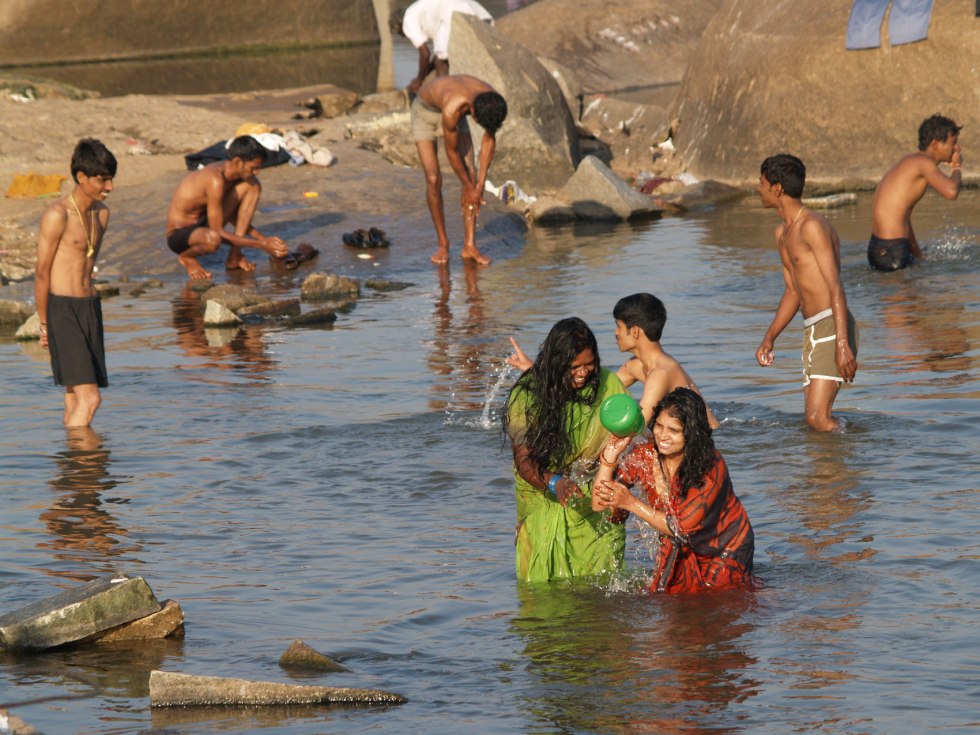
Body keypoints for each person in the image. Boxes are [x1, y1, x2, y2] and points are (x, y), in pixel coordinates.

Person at [502, 317, 629, 584]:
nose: (583, 372)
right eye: (574, 367)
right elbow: (523, 460)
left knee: (603, 590)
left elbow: (626, 443)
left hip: (594, 501)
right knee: (542, 593)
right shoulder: (526, 395)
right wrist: (554, 482)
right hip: (541, 499)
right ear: (557, 364)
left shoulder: (608, 386)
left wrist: (621, 492)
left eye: (589, 364)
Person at [593, 388, 754, 593]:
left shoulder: (710, 466)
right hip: (680, 545)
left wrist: (630, 503)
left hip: (725, 548)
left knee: (718, 608)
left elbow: (682, 527)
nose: (663, 436)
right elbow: (598, 505)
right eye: (659, 426)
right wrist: (609, 459)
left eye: (674, 430)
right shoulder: (646, 455)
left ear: (692, 433)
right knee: (672, 607)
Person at [507, 293, 721, 429]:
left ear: (635, 331)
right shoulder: (636, 366)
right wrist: (536, 370)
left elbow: (637, 426)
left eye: (619, 326)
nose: (616, 333)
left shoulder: (660, 373)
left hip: (707, 441)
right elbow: (592, 389)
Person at [755, 153, 858, 432]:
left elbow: (835, 286)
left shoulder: (812, 226)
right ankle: (825, 473)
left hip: (832, 324)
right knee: (813, 421)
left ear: (777, 188)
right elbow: (792, 292)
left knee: (818, 419)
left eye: (762, 182)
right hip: (811, 330)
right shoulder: (783, 233)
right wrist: (769, 337)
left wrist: (842, 344)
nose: (758, 188)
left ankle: (856, 455)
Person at [34, 139, 116, 427]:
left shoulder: (102, 214)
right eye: (102, 180)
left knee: (73, 395)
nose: (109, 187)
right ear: (82, 177)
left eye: (111, 179)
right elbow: (42, 272)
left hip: (90, 307)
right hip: (63, 309)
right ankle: (85, 466)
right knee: (91, 399)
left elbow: (87, 262)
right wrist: (45, 324)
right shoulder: (57, 215)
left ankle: (72, 469)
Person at [412, 74, 507, 265]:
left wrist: (479, 185)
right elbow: (452, 152)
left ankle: (469, 246)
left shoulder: (492, 102)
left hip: (455, 108)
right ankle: (443, 244)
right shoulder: (453, 108)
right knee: (433, 179)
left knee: (471, 174)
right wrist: (468, 188)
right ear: (472, 110)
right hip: (424, 112)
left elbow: (489, 137)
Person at [166, 135, 289, 280]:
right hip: (180, 235)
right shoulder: (215, 180)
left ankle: (235, 255)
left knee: (253, 185)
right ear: (237, 162)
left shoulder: (233, 175)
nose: (257, 172)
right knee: (213, 240)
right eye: (253, 168)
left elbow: (231, 216)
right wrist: (262, 244)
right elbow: (217, 231)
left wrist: (265, 239)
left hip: (205, 224)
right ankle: (187, 258)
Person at [869, 114, 962, 270]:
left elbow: (904, 216)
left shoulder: (910, 162)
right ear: (935, 144)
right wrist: (957, 168)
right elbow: (952, 192)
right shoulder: (923, 163)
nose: (956, 149)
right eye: (953, 143)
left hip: (879, 247)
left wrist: (918, 256)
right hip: (893, 249)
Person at [391, 0, 493, 94]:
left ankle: (445, 95)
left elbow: (425, 54)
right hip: (469, 6)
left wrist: (419, 80)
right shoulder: (419, 10)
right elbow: (438, 54)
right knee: (441, 57)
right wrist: (425, 72)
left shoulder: (408, 21)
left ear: (400, 27)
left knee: (441, 63)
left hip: (452, 12)